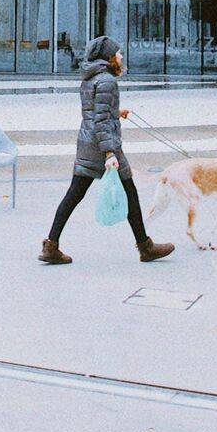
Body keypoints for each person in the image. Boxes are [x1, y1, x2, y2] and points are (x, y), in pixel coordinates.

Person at [39, 36, 173, 265]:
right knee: (129, 193)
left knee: (74, 194)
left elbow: (94, 111)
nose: (121, 56)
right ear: (109, 57)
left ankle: (51, 246)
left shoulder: (90, 77)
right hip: (104, 145)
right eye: (118, 53)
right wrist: (110, 153)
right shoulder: (107, 81)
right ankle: (145, 247)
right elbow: (100, 120)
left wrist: (115, 112)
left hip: (87, 142)